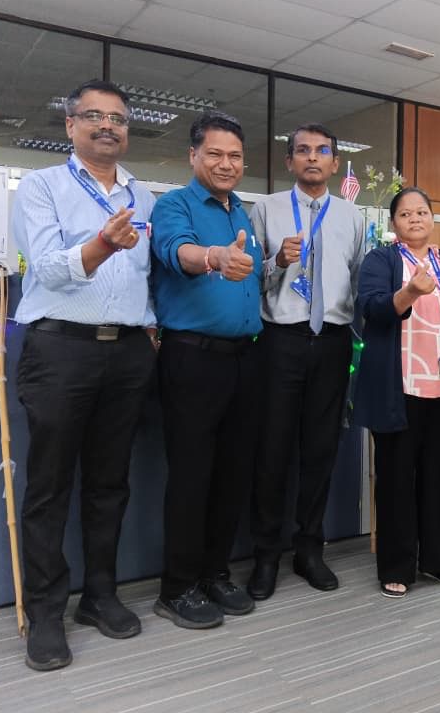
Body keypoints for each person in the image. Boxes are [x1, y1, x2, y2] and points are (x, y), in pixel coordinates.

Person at [11, 79, 157, 671]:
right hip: (60, 350)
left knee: (109, 482)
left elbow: (146, 274)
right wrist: (101, 244)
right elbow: (47, 267)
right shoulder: (41, 186)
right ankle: (46, 612)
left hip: (127, 353)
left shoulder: (143, 196)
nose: (107, 126)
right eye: (93, 116)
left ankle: (99, 594)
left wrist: (150, 325)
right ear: (70, 125)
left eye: (117, 118)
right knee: (49, 486)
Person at [150, 111, 263, 629]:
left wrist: (273, 262)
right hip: (192, 358)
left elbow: (248, 276)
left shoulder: (243, 212)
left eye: (234, 155)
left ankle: (215, 572)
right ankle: (177, 587)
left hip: (244, 359)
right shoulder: (173, 205)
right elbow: (178, 252)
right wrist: (214, 256)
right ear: (193, 156)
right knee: (192, 476)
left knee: (232, 474)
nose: (225, 163)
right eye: (214, 153)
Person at [246, 123, 366, 599]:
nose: (312, 158)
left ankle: (309, 549)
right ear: (290, 161)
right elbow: (248, 280)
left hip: (333, 342)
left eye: (321, 151)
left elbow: (358, 280)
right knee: (272, 452)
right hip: (280, 341)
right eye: (302, 151)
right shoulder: (265, 209)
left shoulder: (353, 217)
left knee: (320, 451)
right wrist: (277, 262)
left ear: (335, 163)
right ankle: (265, 555)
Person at [355, 187, 440, 598]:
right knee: (397, 480)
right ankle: (396, 566)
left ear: (432, 218)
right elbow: (372, 309)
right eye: (406, 213)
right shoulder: (382, 260)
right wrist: (410, 291)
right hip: (401, 389)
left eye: (422, 212)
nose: (415, 219)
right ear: (394, 223)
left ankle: (438, 560)